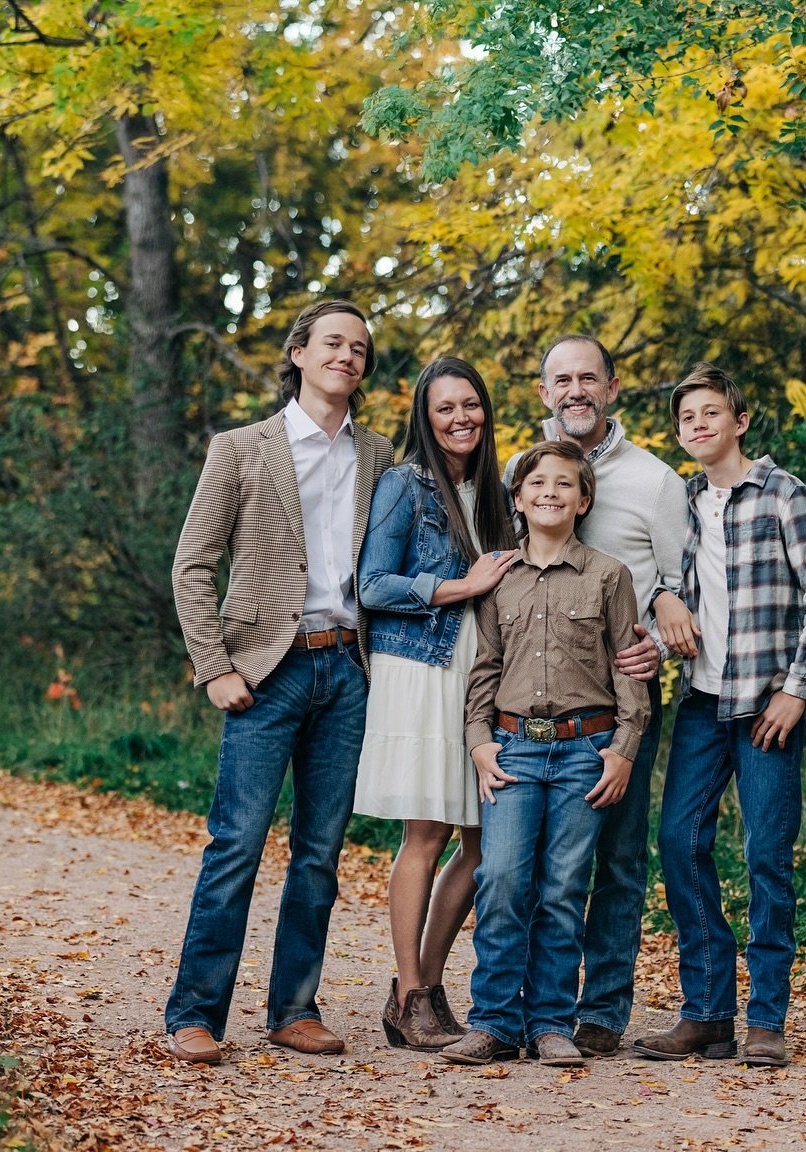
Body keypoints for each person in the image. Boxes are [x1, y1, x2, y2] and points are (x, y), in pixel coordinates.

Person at [163, 300, 394, 1065]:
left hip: (348, 670)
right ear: (298, 353)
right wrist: (214, 667)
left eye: (359, 348)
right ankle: (195, 1013)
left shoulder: (380, 456)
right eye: (333, 342)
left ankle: (294, 1007)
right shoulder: (240, 449)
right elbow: (192, 565)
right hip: (267, 671)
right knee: (236, 844)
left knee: (320, 852)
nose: (348, 356)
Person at [632, 363, 806, 1069]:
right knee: (679, 842)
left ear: (740, 420)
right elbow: (673, 590)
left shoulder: (784, 494)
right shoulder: (685, 502)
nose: (698, 425)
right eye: (687, 417)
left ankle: (766, 1020)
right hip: (701, 700)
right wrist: (655, 626)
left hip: (765, 705)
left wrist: (798, 690)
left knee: (765, 856)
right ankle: (707, 1014)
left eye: (711, 413)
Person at [503, 335, 692, 1057]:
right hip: (531, 706)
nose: (575, 389)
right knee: (528, 865)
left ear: (612, 387)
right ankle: (521, 1010)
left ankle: (601, 1010)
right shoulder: (522, 472)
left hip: (622, 694)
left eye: (589, 377)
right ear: (544, 390)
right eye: (562, 379)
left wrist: (663, 608)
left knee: (614, 858)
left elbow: (683, 574)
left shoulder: (655, 480)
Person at [444, 439, 651, 1068]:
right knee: (503, 879)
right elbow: (484, 668)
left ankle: (552, 1023)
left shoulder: (609, 576)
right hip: (513, 750)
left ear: (584, 499)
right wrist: (478, 743)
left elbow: (630, 672)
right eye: (537, 485)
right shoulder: (497, 578)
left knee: (563, 887)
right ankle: (495, 1021)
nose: (550, 493)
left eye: (564, 484)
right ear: (517, 499)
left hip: (585, 751)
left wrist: (624, 748)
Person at [352, 356, 518, 1051]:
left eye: (471, 405)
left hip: (483, 675)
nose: (461, 418)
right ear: (425, 414)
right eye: (446, 407)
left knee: (482, 844)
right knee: (426, 835)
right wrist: (460, 585)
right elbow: (373, 585)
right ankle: (413, 992)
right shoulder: (404, 485)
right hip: (421, 667)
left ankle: (420, 986)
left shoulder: (497, 493)